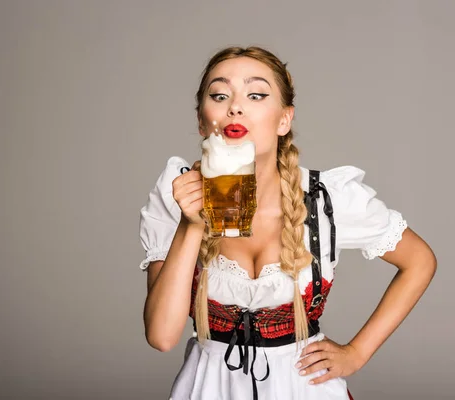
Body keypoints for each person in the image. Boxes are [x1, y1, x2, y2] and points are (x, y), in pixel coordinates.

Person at [138, 46, 437, 400]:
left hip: (304, 388)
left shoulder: (326, 198)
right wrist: (191, 225)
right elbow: (161, 336)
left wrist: (356, 353)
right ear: (202, 120)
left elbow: (419, 261)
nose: (235, 106)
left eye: (256, 94)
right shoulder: (176, 190)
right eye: (220, 95)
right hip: (210, 388)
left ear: (284, 119)